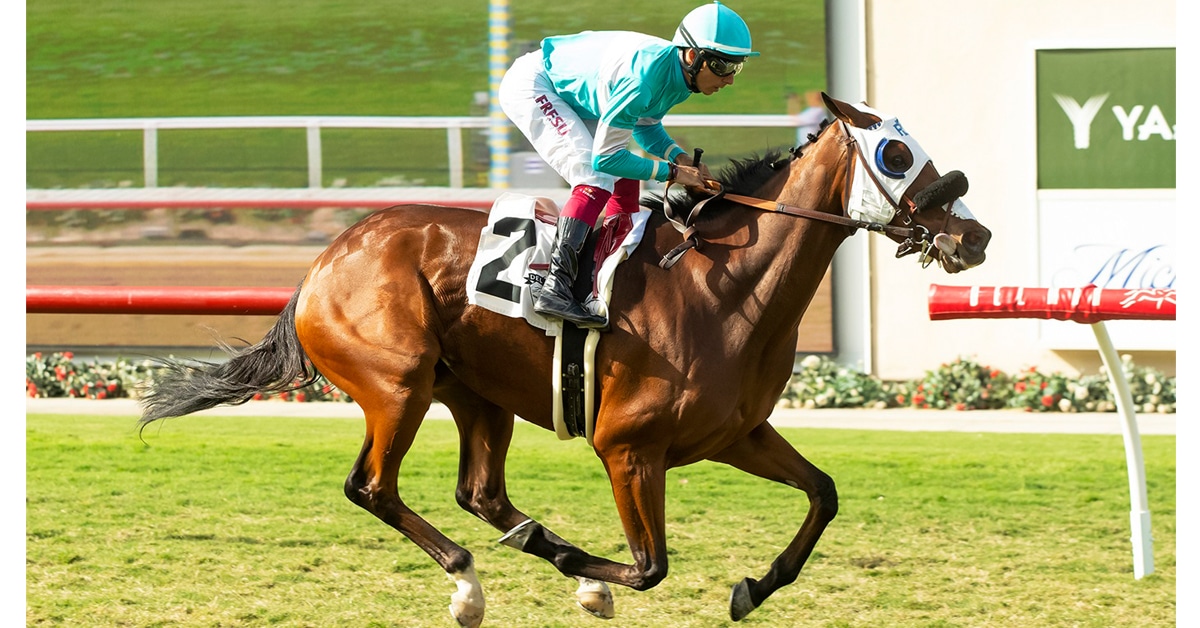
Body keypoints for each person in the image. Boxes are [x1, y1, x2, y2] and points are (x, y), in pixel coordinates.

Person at [499, 1, 758, 328]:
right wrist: (674, 173)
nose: (730, 79)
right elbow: (606, 158)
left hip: (574, 91)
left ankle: (614, 258)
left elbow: (646, 127)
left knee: (616, 169)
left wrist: (679, 157)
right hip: (536, 85)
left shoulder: (677, 77)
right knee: (595, 176)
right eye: (722, 67)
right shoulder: (646, 77)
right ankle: (556, 286)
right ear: (693, 56)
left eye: (737, 67)